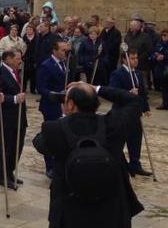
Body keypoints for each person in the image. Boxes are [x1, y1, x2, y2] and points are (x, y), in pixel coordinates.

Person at [32, 82, 144, 228]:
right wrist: (97, 88)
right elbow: (134, 100)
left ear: (70, 104)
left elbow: (38, 143)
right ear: (96, 105)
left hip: (70, 212)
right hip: (111, 210)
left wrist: (64, 118)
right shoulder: (113, 124)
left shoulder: (55, 129)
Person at [108, 48, 152, 176]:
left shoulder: (138, 74)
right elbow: (112, 92)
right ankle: (118, 165)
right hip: (121, 112)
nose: (135, 61)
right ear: (124, 59)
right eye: (132, 58)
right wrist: (128, 93)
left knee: (136, 139)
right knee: (120, 141)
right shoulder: (118, 73)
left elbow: (142, 93)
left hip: (135, 113)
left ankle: (135, 165)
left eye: (136, 58)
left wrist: (146, 108)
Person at [0, 49, 27, 190]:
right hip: (6, 118)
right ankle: (2, 175)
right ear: (7, 59)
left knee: (17, 147)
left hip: (19, 117)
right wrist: (15, 99)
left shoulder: (16, 72)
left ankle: (10, 172)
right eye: (17, 58)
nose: (20, 61)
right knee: (6, 148)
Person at [37, 39, 70, 178]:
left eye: (66, 50)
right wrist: (54, 95)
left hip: (64, 105)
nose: (65, 53)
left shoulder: (65, 63)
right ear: (54, 51)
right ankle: (50, 166)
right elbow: (41, 88)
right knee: (51, 137)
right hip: (51, 106)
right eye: (62, 50)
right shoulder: (46, 65)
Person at [151, 29, 168, 110]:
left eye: (165, 35)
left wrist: (164, 57)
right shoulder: (160, 43)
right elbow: (154, 53)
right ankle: (165, 103)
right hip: (161, 69)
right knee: (164, 88)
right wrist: (156, 57)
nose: (163, 37)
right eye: (162, 35)